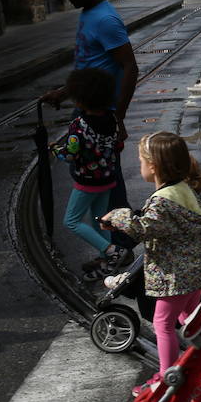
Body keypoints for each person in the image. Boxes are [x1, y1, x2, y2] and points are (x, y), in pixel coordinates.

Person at [102, 132, 201, 394]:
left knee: (163, 324)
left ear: (153, 166)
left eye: (141, 161)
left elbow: (142, 229)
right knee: (189, 318)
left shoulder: (162, 201)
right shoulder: (182, 190)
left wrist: (117, 216)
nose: (139, 165)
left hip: (173, 275)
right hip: (193, 270)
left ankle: (166, 378)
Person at [41, 0, 140, 214]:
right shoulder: (88, 14)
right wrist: (65, 92)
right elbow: (91, 67)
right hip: (87, 111)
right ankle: (112, 233)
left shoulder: (105, 20)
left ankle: (119, 235)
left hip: (100, 115)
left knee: (105, 182)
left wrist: (117, 118)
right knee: (95, 178)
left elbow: (130, 67)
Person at [50, 68, 130, 280]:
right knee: (99, 220)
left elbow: (70, 155)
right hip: (108, 178)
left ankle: (113, 251)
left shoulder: (79, 125)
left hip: (87, 182)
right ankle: (107, 262)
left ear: (79, 100)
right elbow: (118, 145)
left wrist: (54, 149)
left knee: (71, 221)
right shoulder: (112, 119)